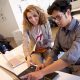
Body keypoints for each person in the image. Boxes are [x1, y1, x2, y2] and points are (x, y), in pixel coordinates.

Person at [21, 0, 80, 80]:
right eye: (54, 18)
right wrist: (45, 64)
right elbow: (55, 49)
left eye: (58, 17)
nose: (56, 21)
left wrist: (41, 72)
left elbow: (70, 57)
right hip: (69, 66)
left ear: (68, 12)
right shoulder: (61, 30)